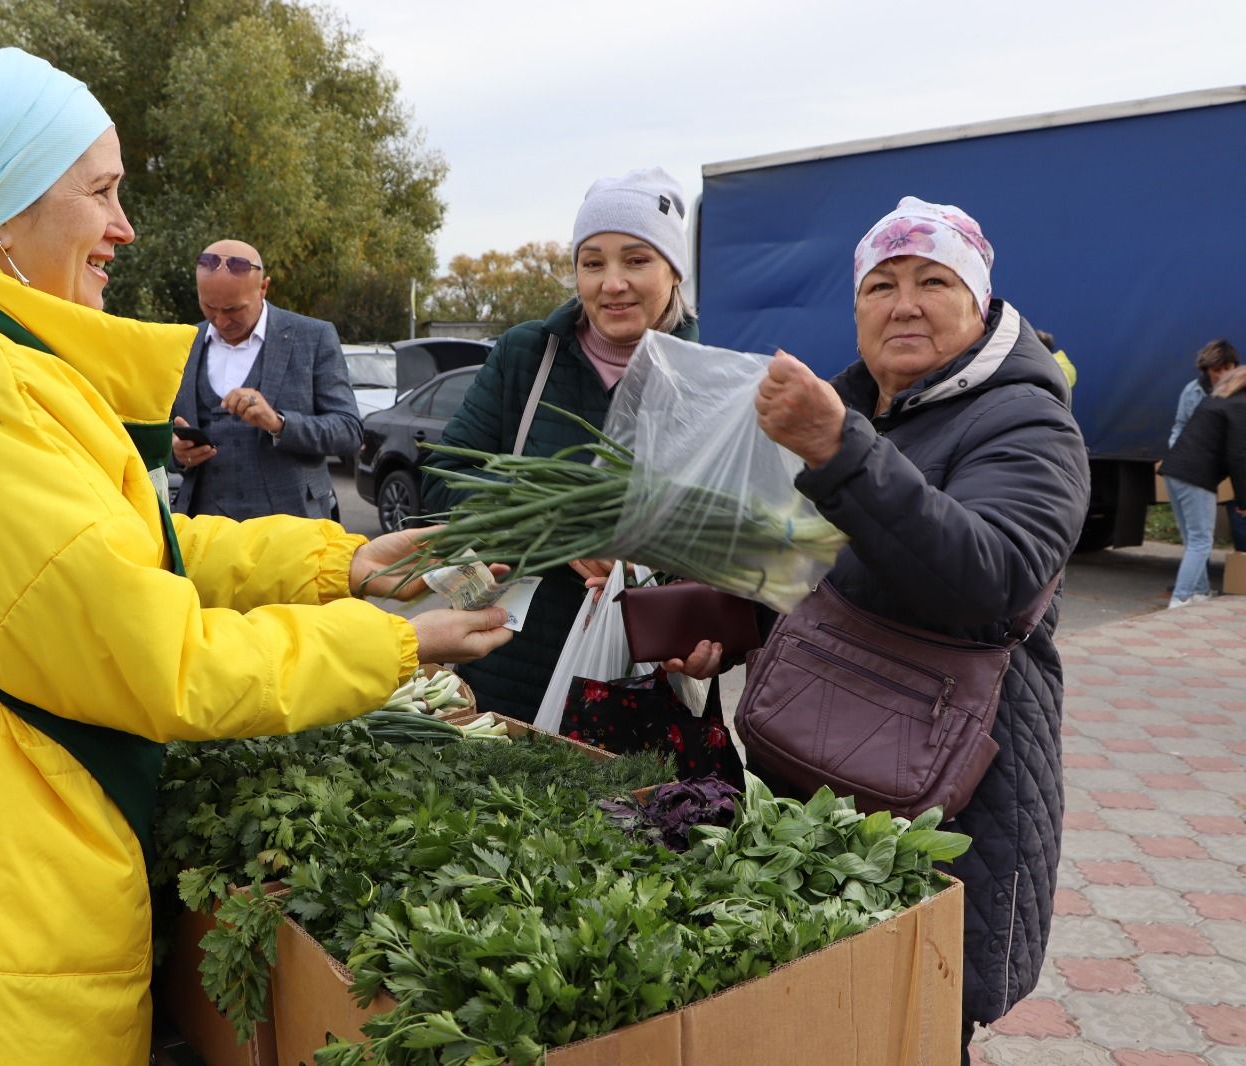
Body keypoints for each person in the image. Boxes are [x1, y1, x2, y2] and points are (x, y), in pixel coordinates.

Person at [0, 43, 510, 1065]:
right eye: (101, 192)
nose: (124, 227)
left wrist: (345, 565)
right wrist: (394, 646)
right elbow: (160, 658)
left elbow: (124, 547)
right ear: (0, 211)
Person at [749, 196, 1089, 1061]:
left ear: (979, 303)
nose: (904, 303)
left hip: (949, 793)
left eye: (933, 280)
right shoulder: (856, 411)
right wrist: (722, 617)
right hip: (821, 763)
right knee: (813, 1008)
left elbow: (992, 579)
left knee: (913, 1020)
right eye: (881, 284)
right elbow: (820, 577)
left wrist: (840, 453)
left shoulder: (1027, 419)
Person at [423, 167, 728, 730]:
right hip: (504, 663)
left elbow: (730, 546)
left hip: (634, 687)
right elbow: (443, 482)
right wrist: (560, 526)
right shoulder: (527, 357)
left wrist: (709, 632)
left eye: (636, 260)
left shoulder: (711, 379)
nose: (612, 283)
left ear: (674, 271)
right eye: (593, 263)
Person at [168, 238, 361, 520]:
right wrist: (176, 454)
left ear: (263, 288)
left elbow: (349, 432)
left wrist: (278, 423)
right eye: (209, 307)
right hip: (203, 526)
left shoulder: (313, 337)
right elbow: (157, 435)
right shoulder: (183, 343)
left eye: (234, 309)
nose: (221, 321)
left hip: (293, 524)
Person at [1162, 339, 1239, 606]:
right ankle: (1180, 600)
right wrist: (1179, 453)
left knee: (1194, 539)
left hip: (1189, 470)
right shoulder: (1194, 392)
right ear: (1207, 369)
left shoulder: (1232, 396)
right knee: (1200, 540)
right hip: (1194, 470)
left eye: (1227, 368)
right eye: (1216, 369)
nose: (1222, 374)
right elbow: (1180, 426)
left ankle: (1200, 590)